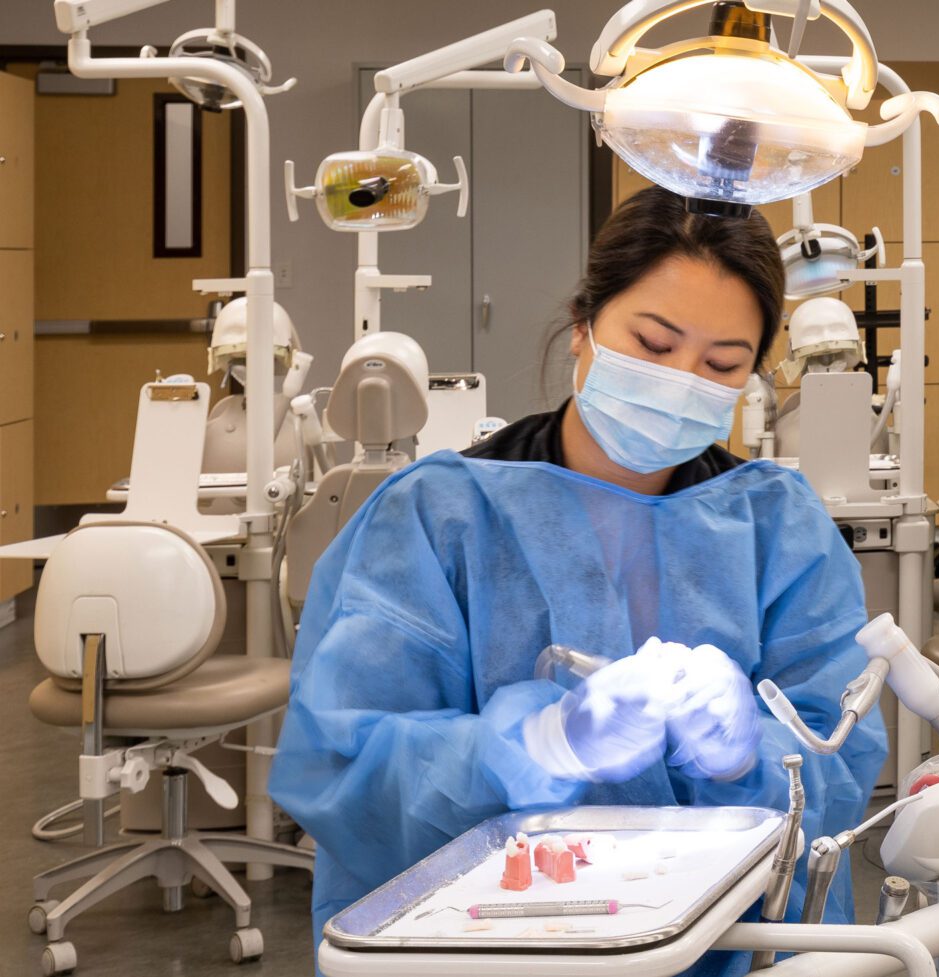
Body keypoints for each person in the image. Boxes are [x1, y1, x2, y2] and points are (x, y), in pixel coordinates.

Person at [269, 186, 888, 976]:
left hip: (728, 951)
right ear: (583, 326)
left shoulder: (777, 527)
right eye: (654, 344)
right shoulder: (437, 515)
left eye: (721, 364)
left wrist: (752, 753)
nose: (680, 379)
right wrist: (536, 745)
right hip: (490, 952)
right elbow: (343, 760)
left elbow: (834, 767)